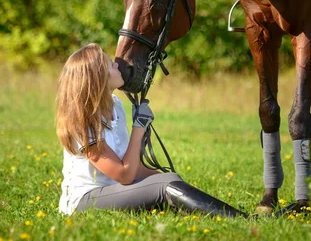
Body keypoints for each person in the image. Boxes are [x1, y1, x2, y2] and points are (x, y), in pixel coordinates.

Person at [56, 43, 246, 218]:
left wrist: (170, 180)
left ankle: (228, 214)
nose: (117, 65)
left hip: (115, 189)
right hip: (84, 201)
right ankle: (242, 220)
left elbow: (130, 165)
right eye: (110, 64)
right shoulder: (83, 123)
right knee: (164, 187)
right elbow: (124, 174)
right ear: (97, 78)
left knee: (169, 181)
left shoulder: (115, 105)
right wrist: (139, 127)